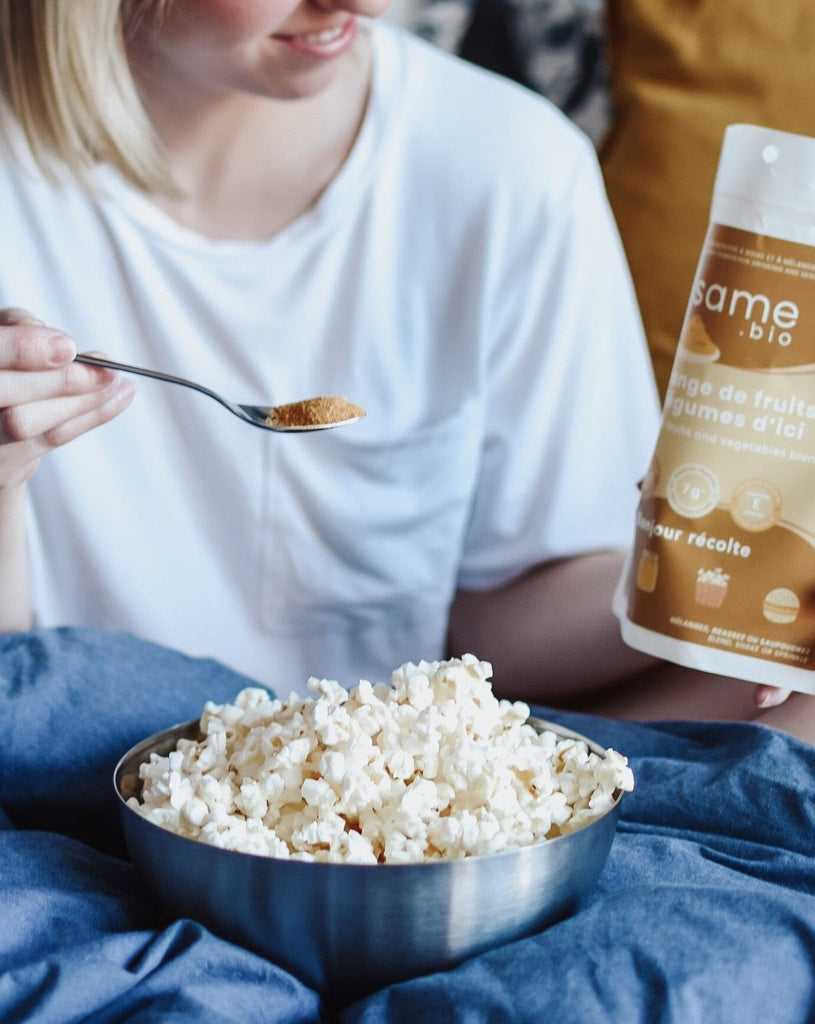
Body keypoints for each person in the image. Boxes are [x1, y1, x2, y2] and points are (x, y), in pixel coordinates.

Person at [0, 1, 810, 743]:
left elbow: (498, 628)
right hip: (70, 788)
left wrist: (731, 580)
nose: (368, 4)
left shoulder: (510, 168)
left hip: (406, 815)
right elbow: (17, 692)